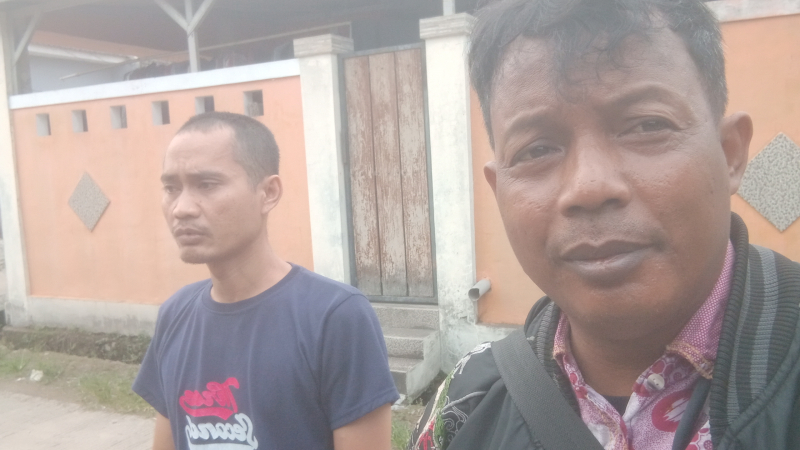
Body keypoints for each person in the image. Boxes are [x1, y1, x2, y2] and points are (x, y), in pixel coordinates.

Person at [409, 0, 800, 449]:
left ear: (730, 153)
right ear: (500, 191)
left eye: (646, 125)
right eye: (537, 150)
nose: (589, 187)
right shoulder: (466, 407)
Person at [133, 112, 399, 450]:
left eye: (207, 185)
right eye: (171, 188)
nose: (181, 208)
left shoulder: (335, 317)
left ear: (268, 193)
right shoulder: (175, 314)